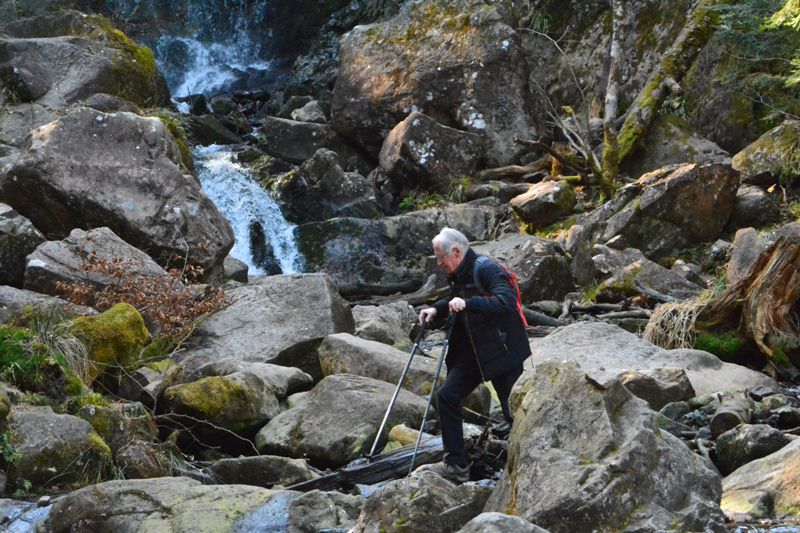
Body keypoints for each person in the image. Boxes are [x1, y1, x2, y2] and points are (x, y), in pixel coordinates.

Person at [418, 227, 531, 483]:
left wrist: (469, 304)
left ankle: (529, 466)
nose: (438, 263)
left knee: (513, 412)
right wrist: (436, 310)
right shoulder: (458, 272)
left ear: (456, 251)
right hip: (474, 353)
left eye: (440, 257)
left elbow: (507, 300)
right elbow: (454, 300)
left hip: (503, 353)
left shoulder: (487, 268)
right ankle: (456, 466)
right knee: (447, 397)